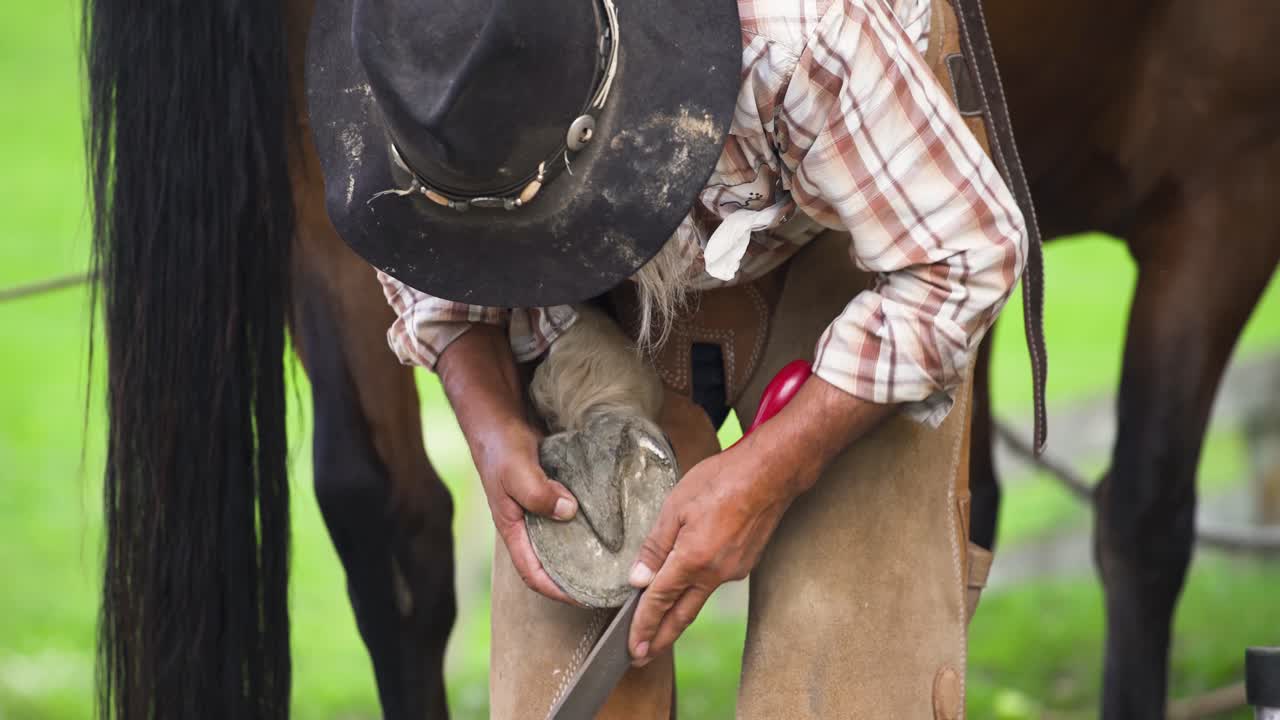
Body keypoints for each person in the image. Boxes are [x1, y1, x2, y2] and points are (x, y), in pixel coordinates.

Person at [306, 0, 1028, 715]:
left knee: (845, 668)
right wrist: (488, 413)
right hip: (595, 280)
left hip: (860, 217)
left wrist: (775, 468)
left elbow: (965, 258)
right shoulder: (400, 67)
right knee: (562, 668)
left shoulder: (800, 33)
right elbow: (409, 232)